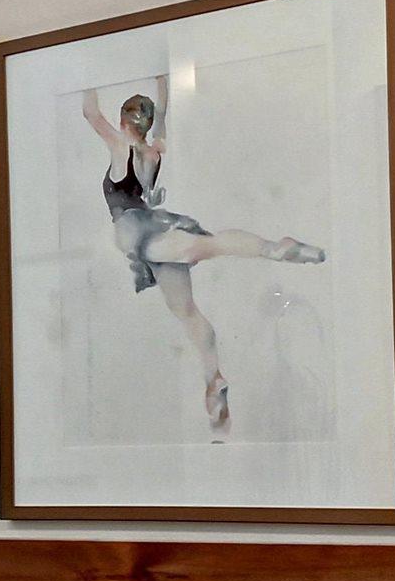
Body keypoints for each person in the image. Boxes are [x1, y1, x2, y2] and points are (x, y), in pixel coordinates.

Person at [82, 84, 325, 438]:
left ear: (124, 121)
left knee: (203, 247)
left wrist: (87, 77)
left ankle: (275, 248)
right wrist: (163, 81)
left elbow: (91, 113)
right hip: (153, 229)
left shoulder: (122, 147)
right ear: (146, 123)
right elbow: (162, 115)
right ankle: (214, 380)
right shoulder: (155, 150)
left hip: (136, 233)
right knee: (186, 311)